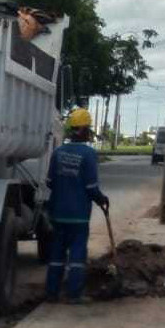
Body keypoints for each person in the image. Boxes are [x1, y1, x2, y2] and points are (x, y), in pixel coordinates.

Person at [44, 107, 109, 304]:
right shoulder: (89, 154)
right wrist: (102, 199)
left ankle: (52, 293)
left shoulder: (58, 153)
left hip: (58, 213)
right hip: (79, 215)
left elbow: (49, 182)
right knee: (77, 256)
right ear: (84, 130)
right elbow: (91, 187)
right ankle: (74, 294)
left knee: (56, 255)